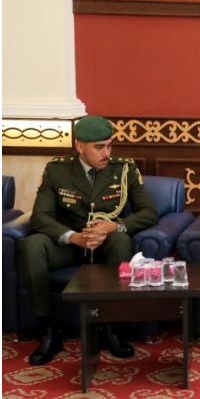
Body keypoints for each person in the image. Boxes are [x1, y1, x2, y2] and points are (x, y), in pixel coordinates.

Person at [19, 116, 159, 366]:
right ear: (80, 146)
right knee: (32, 244)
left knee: (121, 240)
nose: (107, 153)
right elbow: (40, 216)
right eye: (99, 147)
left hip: (105, 246)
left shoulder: (124, 168)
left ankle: (111, 328)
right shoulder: (57, 169)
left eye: (109, 145)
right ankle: (49, 332)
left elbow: (149, 212)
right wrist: (73, 237)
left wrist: (114, 226)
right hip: (69, 246)